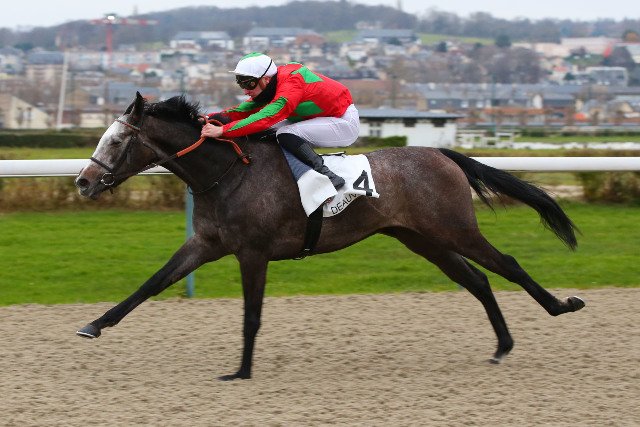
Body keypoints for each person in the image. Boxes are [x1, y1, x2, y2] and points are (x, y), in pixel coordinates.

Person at [201, 52, 360, 190]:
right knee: (262, 132)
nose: (245, 90)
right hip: (317, 118)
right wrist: (209, 118)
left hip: (343, 121)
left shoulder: (291, 85)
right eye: (240, 82)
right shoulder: (272, 84)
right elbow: (243, 110)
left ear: (266, 80)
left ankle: (327, 176)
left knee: (284, 133)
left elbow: (265, 118)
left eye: (248, 83)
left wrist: (223, 130)